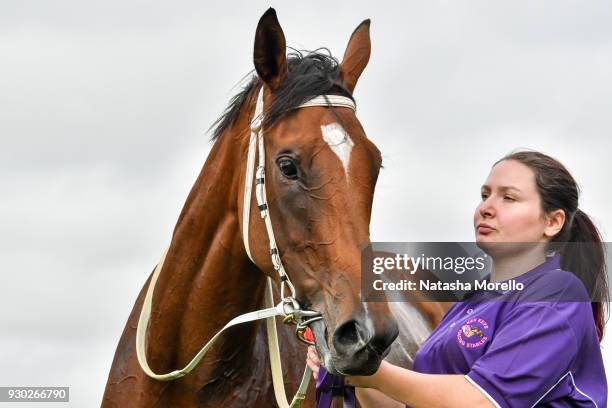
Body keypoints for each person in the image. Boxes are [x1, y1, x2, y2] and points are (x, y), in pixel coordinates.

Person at [306, 150, 608, 407]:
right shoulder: (471, 302)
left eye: (509, 198)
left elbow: (482, 401)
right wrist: (353, 368)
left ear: (552, 221)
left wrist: (377, 374)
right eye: (485, 195)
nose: (487, 208)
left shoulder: (557, 293)